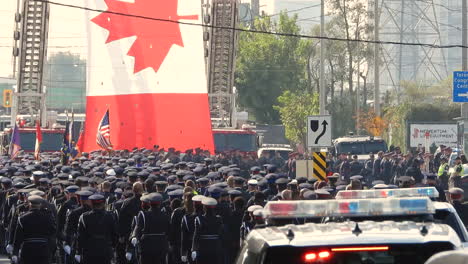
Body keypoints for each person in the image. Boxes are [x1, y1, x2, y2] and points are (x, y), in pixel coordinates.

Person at [12, 195, 57, 264]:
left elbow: (18, 237)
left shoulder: (22, 218)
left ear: (30, 204)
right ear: (40, 205)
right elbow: (53, 232)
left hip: (28, 249)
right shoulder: (48, 217)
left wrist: (15, 252)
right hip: (43, 249)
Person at [76, 194, 118, 264]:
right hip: (105, 249)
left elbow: (80, 236)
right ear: (103, 204)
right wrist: (112, 247)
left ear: (91, 204)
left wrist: (78, 251)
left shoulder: (84, 217)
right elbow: (115, 234)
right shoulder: (110, 216)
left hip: (89, 250)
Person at [130, 193, 170, 264]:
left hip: (146, 245)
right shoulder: (165, 215)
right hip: (161, 245)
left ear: (149, 203)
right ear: (159, 203)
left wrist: (134, 236)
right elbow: (168, 230)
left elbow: (138, 227)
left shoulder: (143, 214)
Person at [191, 197, 223, 264]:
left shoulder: (199, 219)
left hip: (202, 248)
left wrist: (194, 249)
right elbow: (221, 234)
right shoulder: (219, 219)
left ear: (204, 208)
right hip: (215, 248)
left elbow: (196, 235)